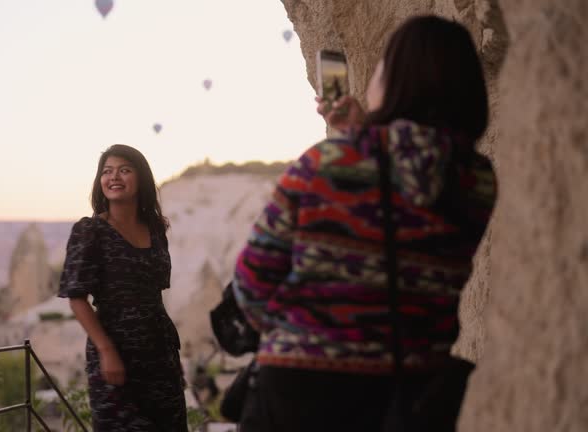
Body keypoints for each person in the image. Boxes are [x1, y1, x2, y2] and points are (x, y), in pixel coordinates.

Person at [233, 15, 497, 431]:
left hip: (302, 391)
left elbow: (252, 281)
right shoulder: (476, 181)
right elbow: (407, 180)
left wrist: (304, 337)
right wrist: (362, 132)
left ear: (395, 81)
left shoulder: (328, 162)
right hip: (411, 392)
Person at [58, 144, 186, 432]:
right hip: (116, 357)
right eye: (107, 171)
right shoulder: (90, 231)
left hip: (160, 355)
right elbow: (76, 297)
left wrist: (173, 362)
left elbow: (155, 295)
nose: (114, 177)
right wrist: (106, 350)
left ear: (140, 178)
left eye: (124, 170)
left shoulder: (155, 230)